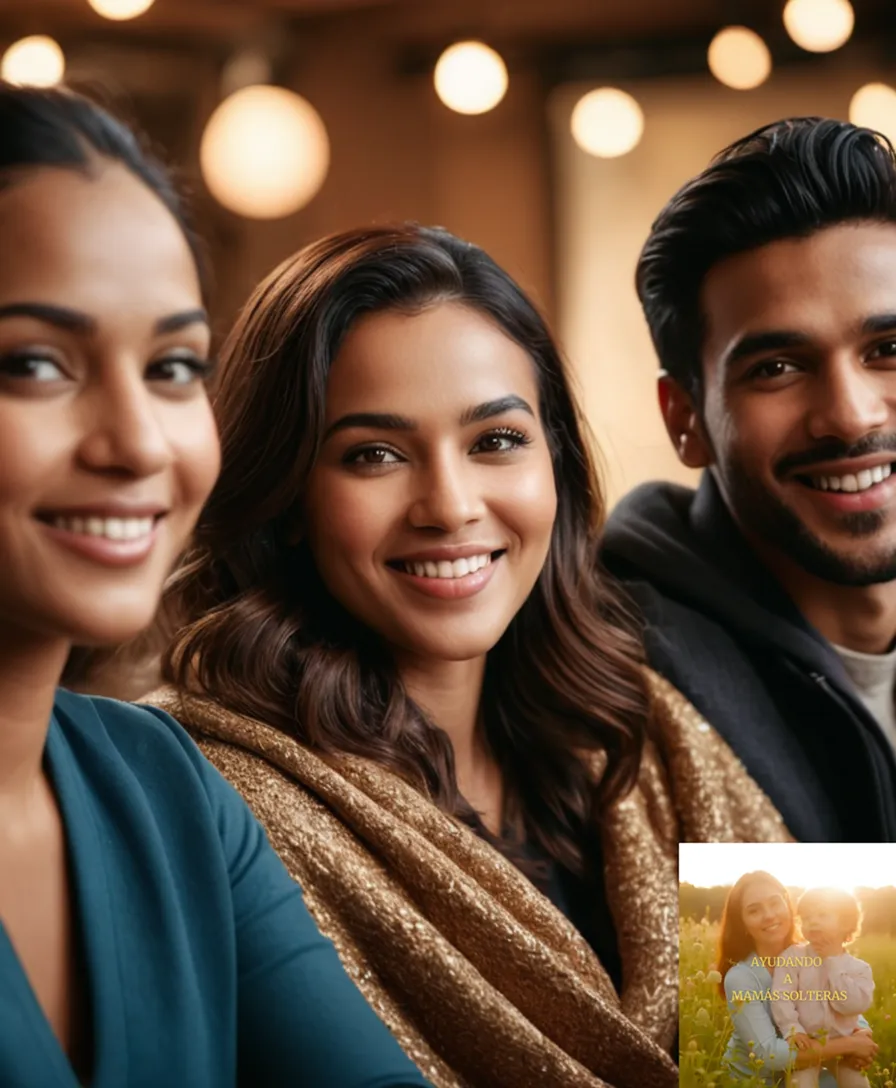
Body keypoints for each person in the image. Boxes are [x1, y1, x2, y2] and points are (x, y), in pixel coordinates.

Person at [148, 223, 791, 1088]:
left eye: (495, 441)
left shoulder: (655, 730)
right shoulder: (209, 801)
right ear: (288, 496)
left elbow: (836, 1061)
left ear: (555, 466)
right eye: (374, 455)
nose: (449, 506)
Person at [0, 82, 432, 1088]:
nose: (139, 440)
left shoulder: (159, 785)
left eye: (172, 364)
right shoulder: (232, 775)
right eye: (33, 362)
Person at [600, 117, 896, 841]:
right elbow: (795, 961)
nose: (852, 417)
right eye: (777, 368)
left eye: (888, 349)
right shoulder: (626, 686)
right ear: (687, 419)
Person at [717, 873, 877, 1085]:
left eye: (775, 903)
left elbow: (839, 1003)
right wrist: (850, 1045)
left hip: (810, 1064)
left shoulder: (815, 952)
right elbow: (769, 1054)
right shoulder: (741, 977)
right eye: (754, 910)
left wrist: (862, 1032)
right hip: (757, 1079)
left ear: (788, 905)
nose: (769, 915)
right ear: (743, 923)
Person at [770, 887, 874, 1088]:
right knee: (801, 1084)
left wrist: (832, 962)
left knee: (858, 1084)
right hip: (807, 1043)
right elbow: (781, 997)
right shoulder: (792, 958)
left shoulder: (859, 969)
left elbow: (852, 1006)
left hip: (844, 1047)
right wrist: (793, 1030)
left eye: (822, 915)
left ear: (846, 924)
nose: (813, 922)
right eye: (807, 918)